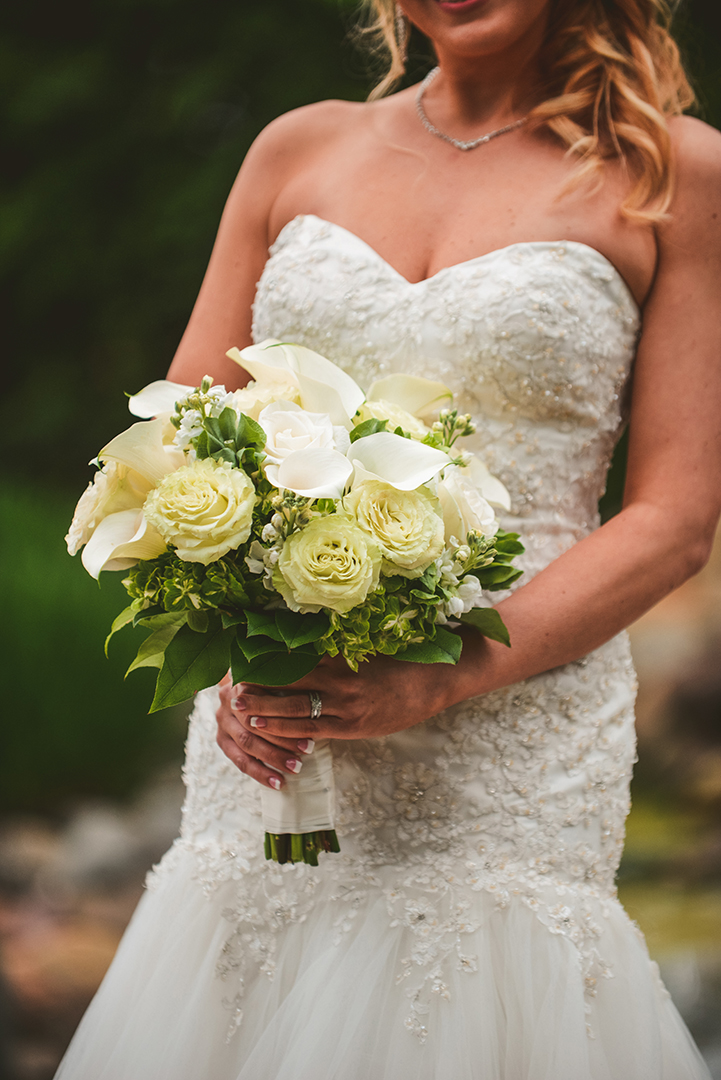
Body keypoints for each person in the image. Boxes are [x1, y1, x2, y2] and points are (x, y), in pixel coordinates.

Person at [55, 1, 721, 1077]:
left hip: (514, 723)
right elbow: (171, 441)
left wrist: (445, 670)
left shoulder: (675, 175)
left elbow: (674, 522)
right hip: (276, 717)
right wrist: (232, 640)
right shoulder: (296, 148)